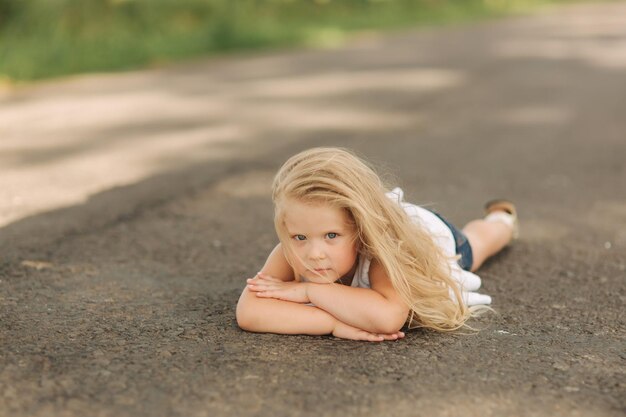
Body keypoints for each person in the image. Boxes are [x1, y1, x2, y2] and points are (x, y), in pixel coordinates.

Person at [236, 147, 519, 342]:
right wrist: (334, 324)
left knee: (478, 244)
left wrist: (308, 290)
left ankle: (502, 219)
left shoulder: (383, 251)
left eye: (332, 236)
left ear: (359, 231)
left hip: (425, 234)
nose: (314, 254)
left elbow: (387, 317)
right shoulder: (293, 249)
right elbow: (250, 312)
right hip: (376, 215)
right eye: (300, 237)